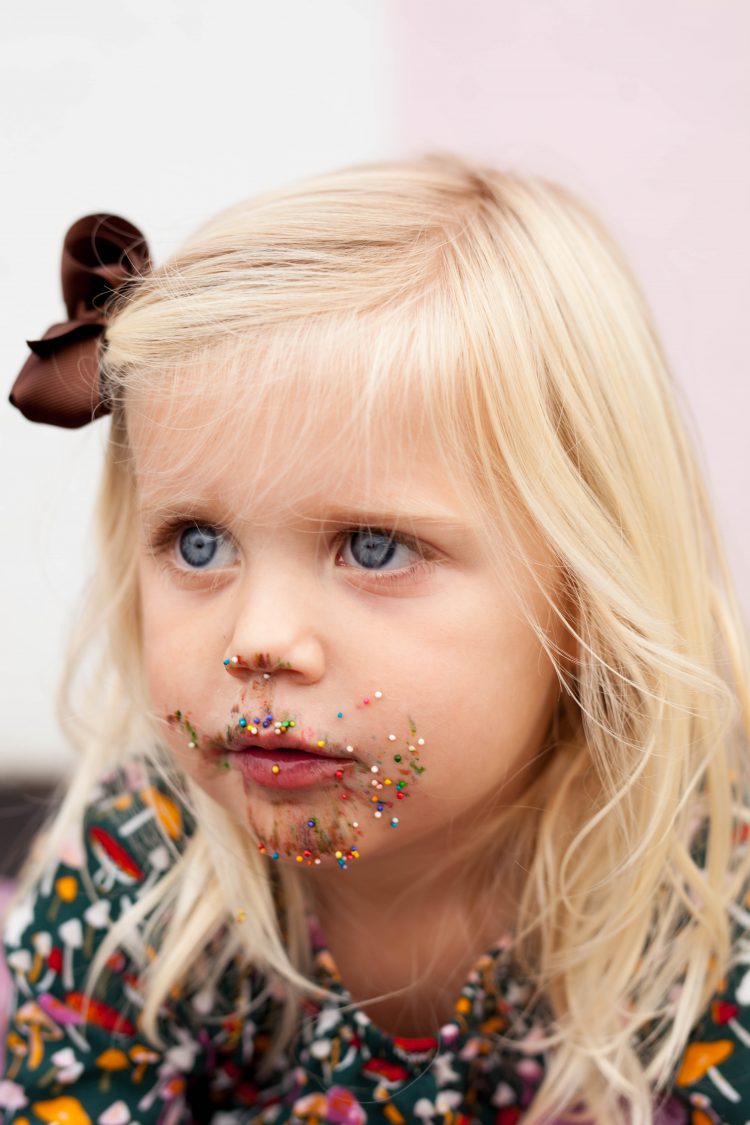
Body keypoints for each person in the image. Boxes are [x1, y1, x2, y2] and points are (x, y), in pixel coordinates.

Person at [2, 154, 749, 1125]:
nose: (259, 642)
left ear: (584, 596)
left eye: (374, 546)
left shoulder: (701, 902)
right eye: (199, 543)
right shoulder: (123, 888)